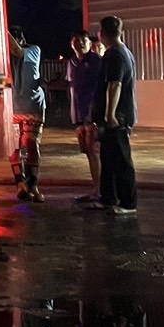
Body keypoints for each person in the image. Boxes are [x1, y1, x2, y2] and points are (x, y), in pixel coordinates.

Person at [92, 14, 138, 214]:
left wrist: (110, 114)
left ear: (102, 33)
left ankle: (128, 203)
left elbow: (114, 85)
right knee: (109, 159)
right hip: (119, 115)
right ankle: (108, 198)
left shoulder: (115, 55)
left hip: (118, 117)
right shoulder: (123, 52)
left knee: (121, 160)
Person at [7, 24, 46, 202]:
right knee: (15, 147)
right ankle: (22, 184)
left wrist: (2, 29)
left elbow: (17, 50)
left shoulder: (33, 50)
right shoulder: (5, 54)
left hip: (31, 105)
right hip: (14, 106)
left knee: (30, 144)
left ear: (22, 39)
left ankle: (32, 185)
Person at [66, 29, 103, 203]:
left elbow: (100, 88)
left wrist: (94, 111)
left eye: (84, 40)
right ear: (71, 44)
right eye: (77, 40)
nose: (80, 43)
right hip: (78, 115)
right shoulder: (71, 63)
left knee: (95, 152)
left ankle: (100, 191)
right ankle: (96, 188)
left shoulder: (95, 61)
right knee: (88, 152)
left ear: (90, 43)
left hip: (92, 115)